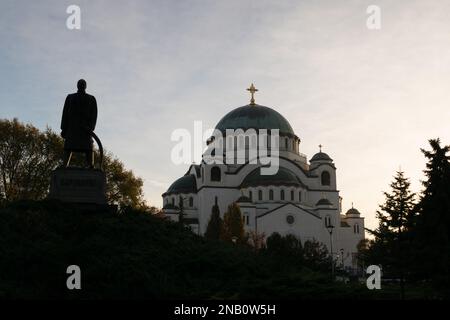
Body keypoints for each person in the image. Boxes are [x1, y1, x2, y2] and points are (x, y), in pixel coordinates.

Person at [60, 79, 98, 168]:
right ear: (77, 85)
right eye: (80, 84)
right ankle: (65, 165)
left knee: (88, 147)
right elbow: (65, 113)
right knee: (68, 146)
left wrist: (91, 127)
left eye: (83, 84)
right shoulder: (70, 97)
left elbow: (94, 114)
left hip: (85, 129)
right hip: (72, 127)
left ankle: (91, 165)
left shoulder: (91, 98)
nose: (81, 85)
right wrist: (64, 128)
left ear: (85, 86)